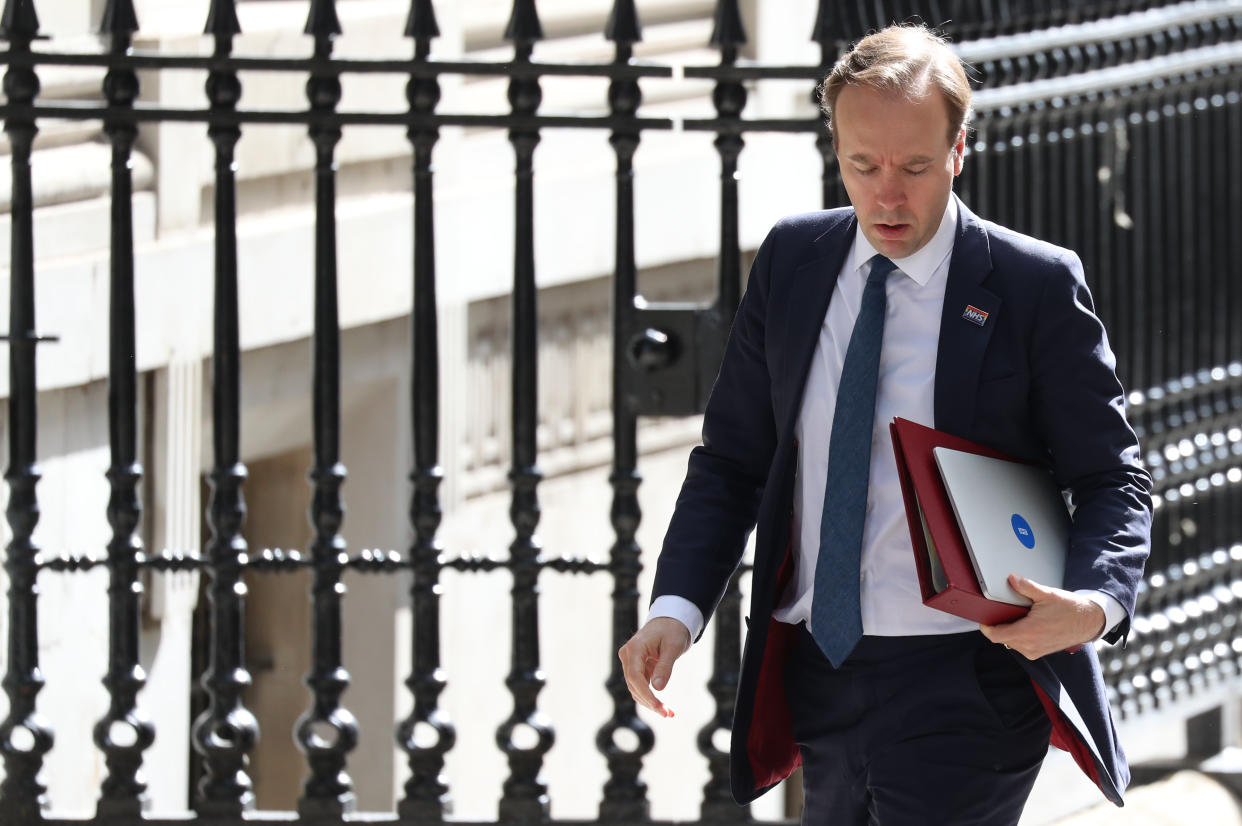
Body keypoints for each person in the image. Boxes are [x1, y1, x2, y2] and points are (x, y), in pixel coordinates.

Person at [618, 24, 1151, 826]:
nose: (887, 196)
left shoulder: (1032, 284)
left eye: (914, 166)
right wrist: (677, 607)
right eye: (863, 166)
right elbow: (732, 459)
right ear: (836, 149)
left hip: (967, 679)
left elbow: (1113, 477)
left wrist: (1093, 603)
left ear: (959, 150)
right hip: (820, 672)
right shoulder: (794, 261)